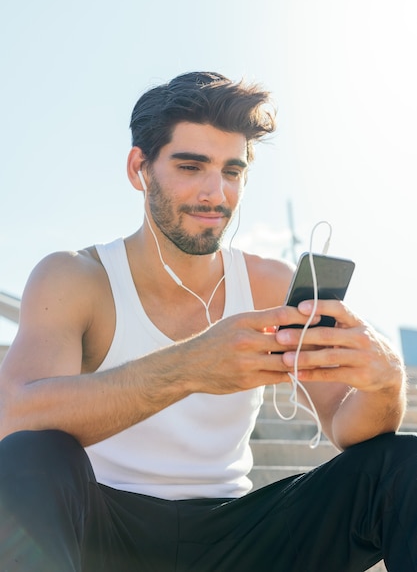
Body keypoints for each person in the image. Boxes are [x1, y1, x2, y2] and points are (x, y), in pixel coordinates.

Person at [0, 71, 415, 572]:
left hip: (240, 537)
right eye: (191, 166)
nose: (215, 194)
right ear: (140, 168)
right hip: (103, 536)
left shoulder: (267, 283)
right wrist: (189, 367)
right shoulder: (76, 277)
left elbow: (348, 428)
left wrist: (386, 385)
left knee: (403, 465)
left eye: (232, 171)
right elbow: (15, 420)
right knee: (29, 456)